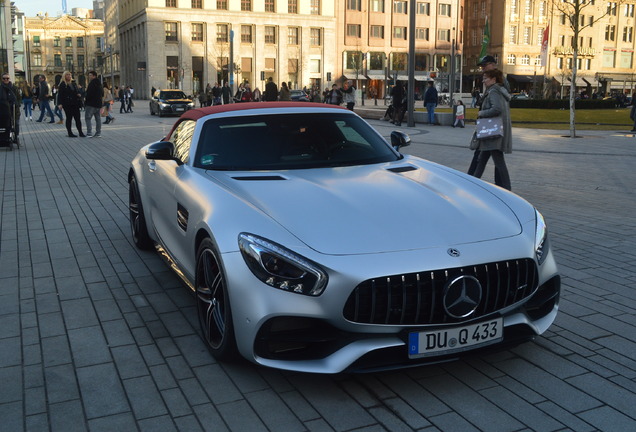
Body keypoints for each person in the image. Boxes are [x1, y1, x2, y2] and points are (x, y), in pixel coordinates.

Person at [469, 69, 512, 191]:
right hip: (493, 131)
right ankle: (472, 184)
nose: (483, 81)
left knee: (499, 162)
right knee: (481, 159)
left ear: (494, 79)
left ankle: (508, 190)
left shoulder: (494, 91)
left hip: (492, 132)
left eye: (485, 78)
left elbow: (496, 109)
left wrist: (481, 113)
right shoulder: (499, 90)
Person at [57, 71, 85, 137]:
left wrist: (79, 94)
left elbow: (77, 91)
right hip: (67, 104)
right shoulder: (63, 84)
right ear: (64, 76)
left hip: (75, 103)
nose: (69, 76)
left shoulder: (73, 83)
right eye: (67, 75)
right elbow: (60, 95)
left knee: (78, 118)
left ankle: (80, 132)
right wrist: (60, 104)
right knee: (69, 118)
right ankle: (70, 133)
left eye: (69, 75)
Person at [84, 71, 103, 137]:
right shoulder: (100, 84)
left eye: (90, 75)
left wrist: (86, 101)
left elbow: (89, 94)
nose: (89, 77)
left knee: (88, 118)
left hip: (91, 104)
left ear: (94, 76)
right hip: (98, 104)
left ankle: (89, 133)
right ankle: (98, 133)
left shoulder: (92, 83)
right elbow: (102, 94)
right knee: (98, 119)